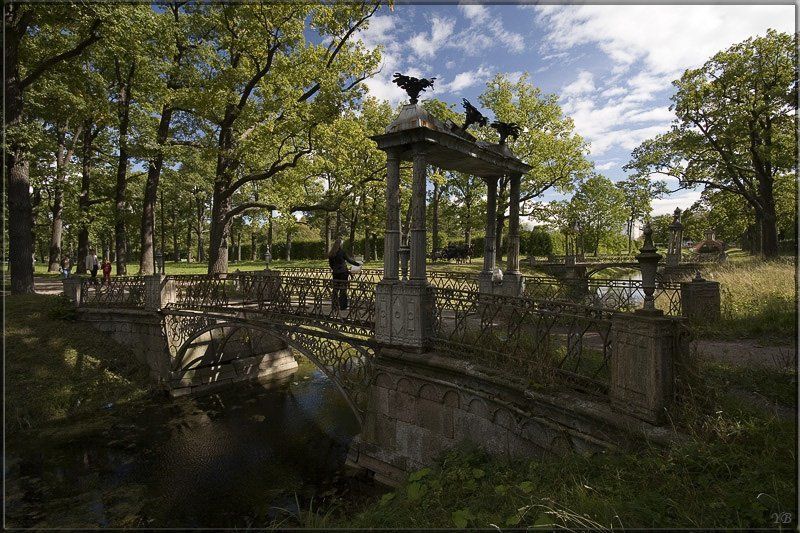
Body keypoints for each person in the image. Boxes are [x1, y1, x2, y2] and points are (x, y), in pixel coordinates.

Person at [327, 238, 361, 311]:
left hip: (335, 273)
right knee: (343, 289)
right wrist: (358, 264)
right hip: (343, 273)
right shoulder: (342, 252)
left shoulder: (331, 253)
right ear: (340, 245)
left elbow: (331, 264)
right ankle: (343, 306)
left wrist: (335, 269)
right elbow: (349, 260)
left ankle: (334, 306)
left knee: (335, 290)